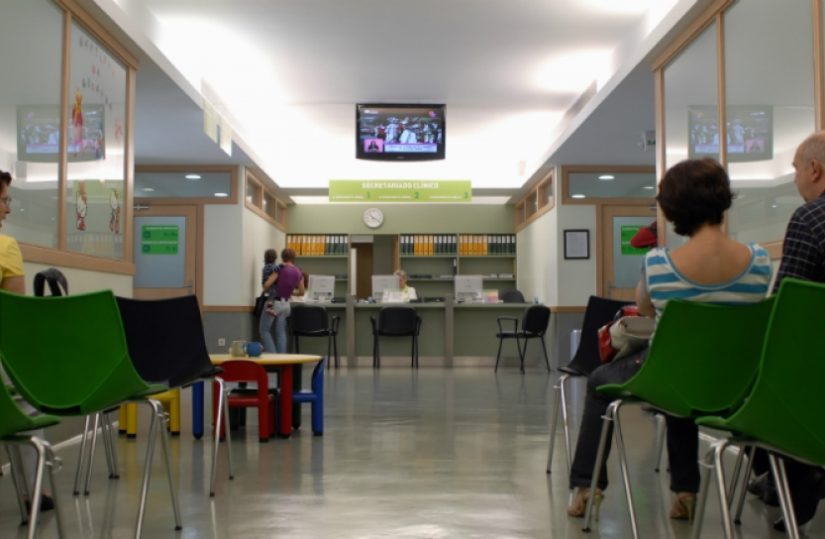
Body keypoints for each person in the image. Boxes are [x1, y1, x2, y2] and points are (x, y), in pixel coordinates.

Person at [566, 158, 772, 520]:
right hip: (735, 381)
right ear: (723, 199)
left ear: (674, 209)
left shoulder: (659, 264)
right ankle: (685, 492)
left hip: (672, 376)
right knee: (685, 376)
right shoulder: (759, 261)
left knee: (602, 381)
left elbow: (645, 308)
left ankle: (586, 485)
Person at [746, 131, 825, 531]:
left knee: (752, 381)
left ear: (815, 169)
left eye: (795, 168)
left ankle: (792, 481)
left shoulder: (809, 219)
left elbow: (784, 310)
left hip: (813, 370)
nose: (794, 178)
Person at [0, 170, 54, 512]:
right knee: (25, 399)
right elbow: (13, 316)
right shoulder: (6, 247)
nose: (8, 208)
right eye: (5, 200)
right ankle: (33, 492)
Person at [261, 248, 305, 353]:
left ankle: (273, 358)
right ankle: (282, 358)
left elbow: (266, 285)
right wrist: (291, 293)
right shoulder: (298, 272)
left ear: (282, 257)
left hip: (274, 303)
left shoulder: (279, 269)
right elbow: (302, 292)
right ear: (294, 258)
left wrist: (267, 286)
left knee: (264, 330)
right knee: (281, 332)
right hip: (286, 305)